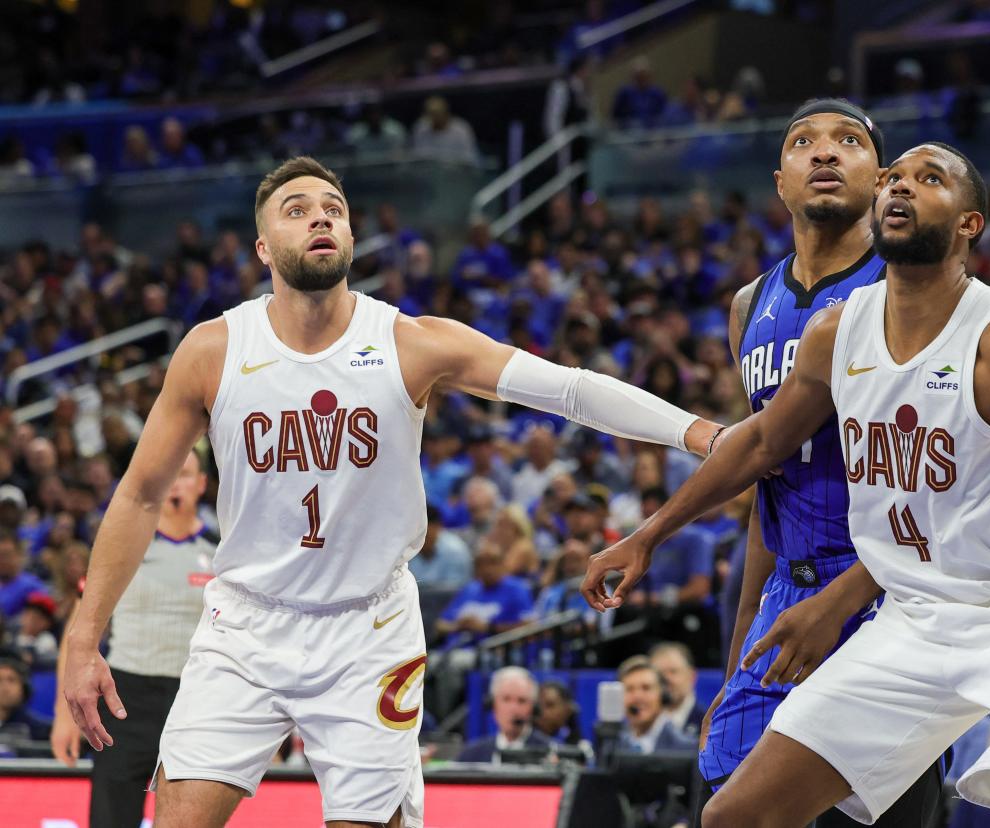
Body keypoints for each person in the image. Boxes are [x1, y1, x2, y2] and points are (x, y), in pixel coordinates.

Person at [61, 155, 722, 828]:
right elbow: (140, 496)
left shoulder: (410, 342)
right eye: (296, 209)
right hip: (246, 624)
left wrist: (696, 432)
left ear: (349, 237)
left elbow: (569, 388)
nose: (320, 215)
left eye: (333, 208)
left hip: (368, 630)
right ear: (263, 247)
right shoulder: (214, 349)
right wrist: (82, 639)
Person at [584, 142, 990, 827]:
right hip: (915, 612)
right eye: (894, 178)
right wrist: (648, 535)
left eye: (929, 180)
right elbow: (757, 443)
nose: (901, 188)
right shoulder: (837, 332)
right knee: (734, 816)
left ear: (969, 223)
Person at [695, 97, 941, 827]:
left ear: (884, 178)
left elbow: (940, 483)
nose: (825, 153)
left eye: (849, 141)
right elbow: (765, 479)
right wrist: (738, 651)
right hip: (788, 594)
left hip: (892, 597)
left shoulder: (910, 289)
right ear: (781, 180)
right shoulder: (750, 304)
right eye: (804, 141)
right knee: (727, 796)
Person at [50, 450, 215, 828]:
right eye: (170, 473)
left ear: (202, 484)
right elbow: (79, 633)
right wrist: (64, 717)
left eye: (186, 474)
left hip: (194, 701)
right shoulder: (121, 551)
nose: (177, 483)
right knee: (111, 818)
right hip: (124, 700)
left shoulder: (221, 553)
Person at [456, 666, 549, 763]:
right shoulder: (471, 756)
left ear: (533, 708)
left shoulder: (548, 754)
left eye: (521, 701)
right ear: (493, 704)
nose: (514, 709)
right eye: (506, 699)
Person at [617, 656, 696, 754]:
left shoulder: (686, 747)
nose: (637, 696)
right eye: (629, 689)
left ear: (663, 695)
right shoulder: (611, 744)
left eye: (646, 688)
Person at [406, 505, 472, 589]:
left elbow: (454, 591)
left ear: (438, 527)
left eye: (425, 534)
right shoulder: (406, 550)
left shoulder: (455, 551)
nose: (420, 538)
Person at [650, 641, 706, 737]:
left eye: (673, 671)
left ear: (692, 677)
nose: (666, 678)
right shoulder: (642, 722)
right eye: (659, 673)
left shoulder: (709, 722)